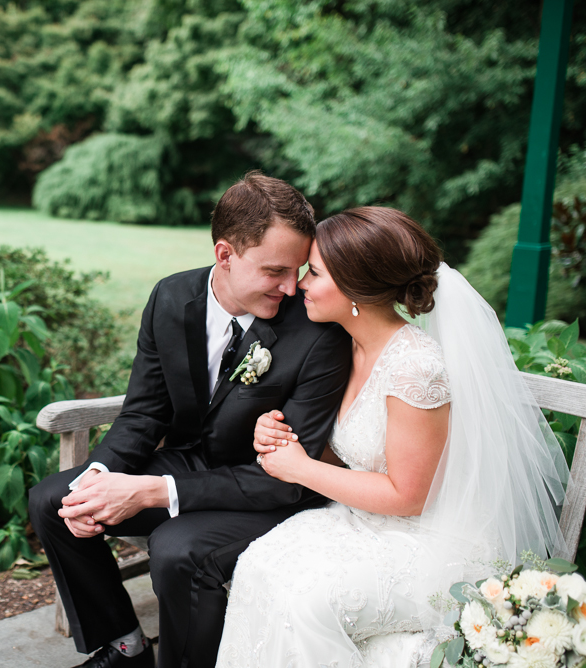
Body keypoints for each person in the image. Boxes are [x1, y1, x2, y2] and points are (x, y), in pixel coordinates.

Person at [215, 207, 569, 668]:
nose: (299, 284)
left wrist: (302, 467)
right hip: (365, 520)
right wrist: (284, 439)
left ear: (356, 289)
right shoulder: (347, 345)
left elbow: (409, 496)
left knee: (303, 599)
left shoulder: (415, 368)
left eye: (314, 273)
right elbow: (359, 456)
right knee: (259, 565)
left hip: (433, 537)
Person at [28, 171, 353, 668]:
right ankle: (123, 646)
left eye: (299, 270)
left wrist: (153, 492)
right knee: (57, 499)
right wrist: (99, 478)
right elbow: (143, 413)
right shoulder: (170, 297)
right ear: (225, 254)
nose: (292, 288)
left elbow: (293, 476)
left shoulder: (316, 332)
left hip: (268, 488)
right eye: (275, 271)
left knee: (177, 549)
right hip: (188, 463)